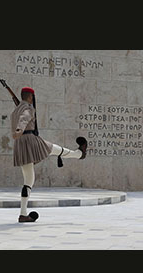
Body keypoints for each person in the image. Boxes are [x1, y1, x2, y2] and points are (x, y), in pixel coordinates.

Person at [11, 87, 87, 222]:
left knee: (28, 181)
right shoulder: (28, 108)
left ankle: (23, 214)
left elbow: (20, 117)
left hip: (20, 145)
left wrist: (18, 132)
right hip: (30, 141)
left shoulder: (16, 110)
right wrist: (19, 129)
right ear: (30, 97)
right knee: (55, 149)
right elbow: (24, 119)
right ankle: (79, 154)